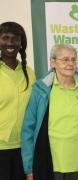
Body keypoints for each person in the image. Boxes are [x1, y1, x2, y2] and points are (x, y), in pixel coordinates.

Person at [21, 44, 78, 180]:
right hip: (49, 163)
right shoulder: (41, 90)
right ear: (53, 62)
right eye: (65, 59)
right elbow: (28, 129)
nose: (70, 64)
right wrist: (29, 167)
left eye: (74, 59)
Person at [0, 22, 35, 180]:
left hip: (25, 148)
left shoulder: (29, 72)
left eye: (15, 39)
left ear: (21, 43)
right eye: (5, 38)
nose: (10, 43)